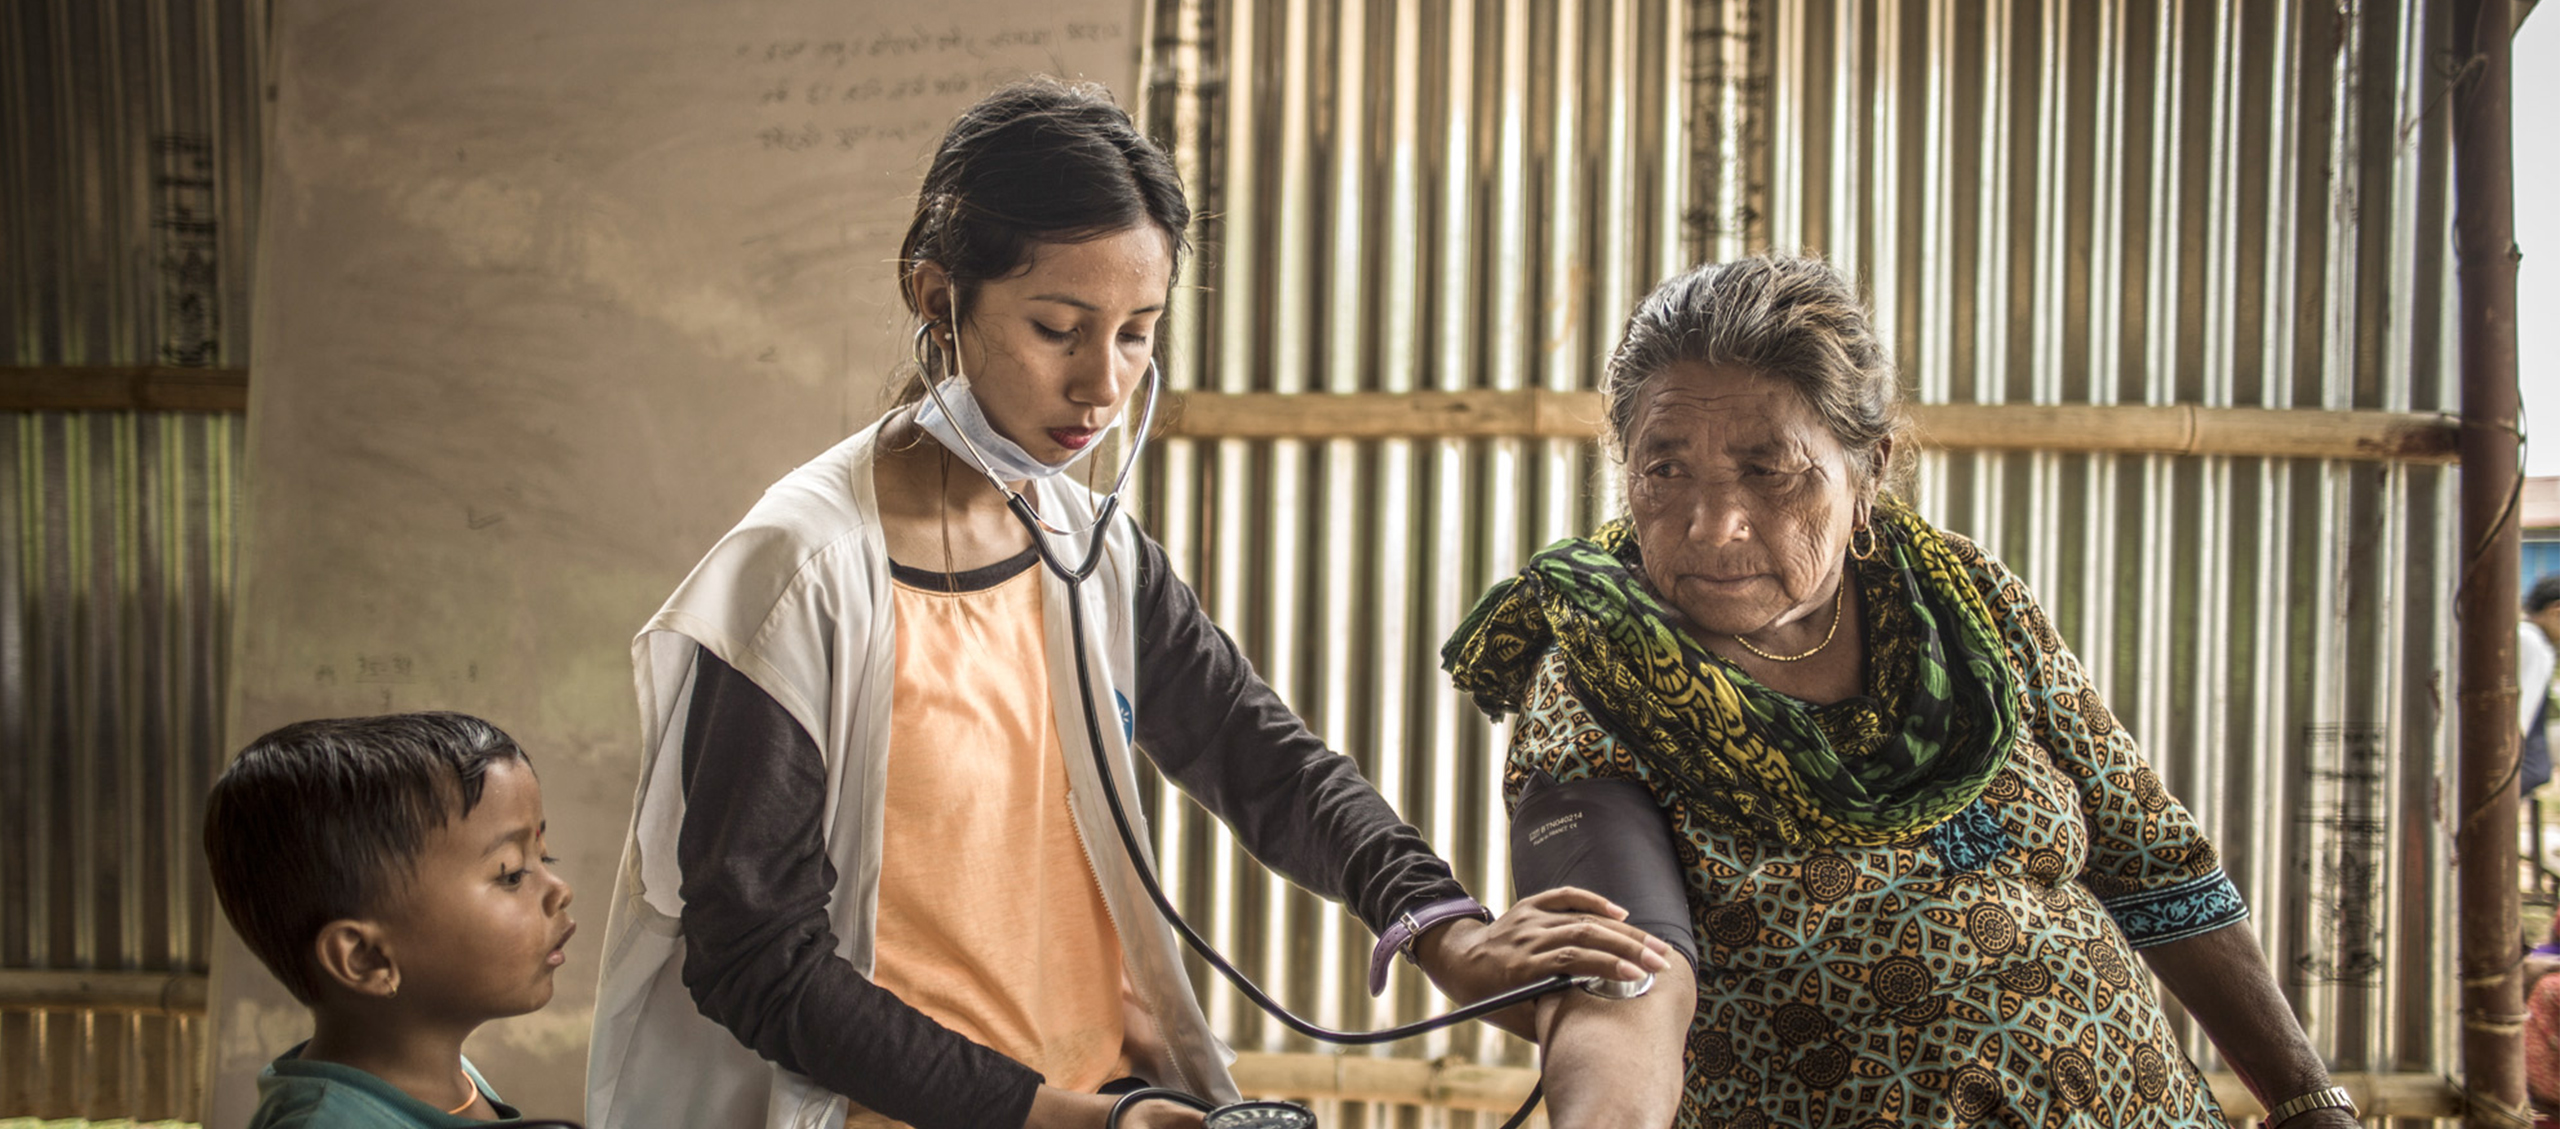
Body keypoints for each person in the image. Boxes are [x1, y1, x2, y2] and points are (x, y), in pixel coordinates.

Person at [584, 79, 1667, 1129]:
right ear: (935, 300)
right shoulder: (793, 578)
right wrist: (1062, 1118)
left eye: (1138, 331)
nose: (1104, 384)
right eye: (1060, 328)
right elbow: (754, 962)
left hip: (1092, 1096)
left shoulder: (1087, 550)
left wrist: (1440, 926)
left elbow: (1265, 762)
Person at [1442, 255, 2360, 1128]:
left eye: (1769, 470)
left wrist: (2308, 1098)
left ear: (1868, 469)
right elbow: (1626, 978)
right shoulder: (1601, 670)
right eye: (1666, 467)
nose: (1714, 523)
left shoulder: (1961, 600)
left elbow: (2151, 857)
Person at [203, 712, 577, 1128]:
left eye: (544, 858)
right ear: (366, 957)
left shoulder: (442, 1078)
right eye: (510, 874)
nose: (561, 889)